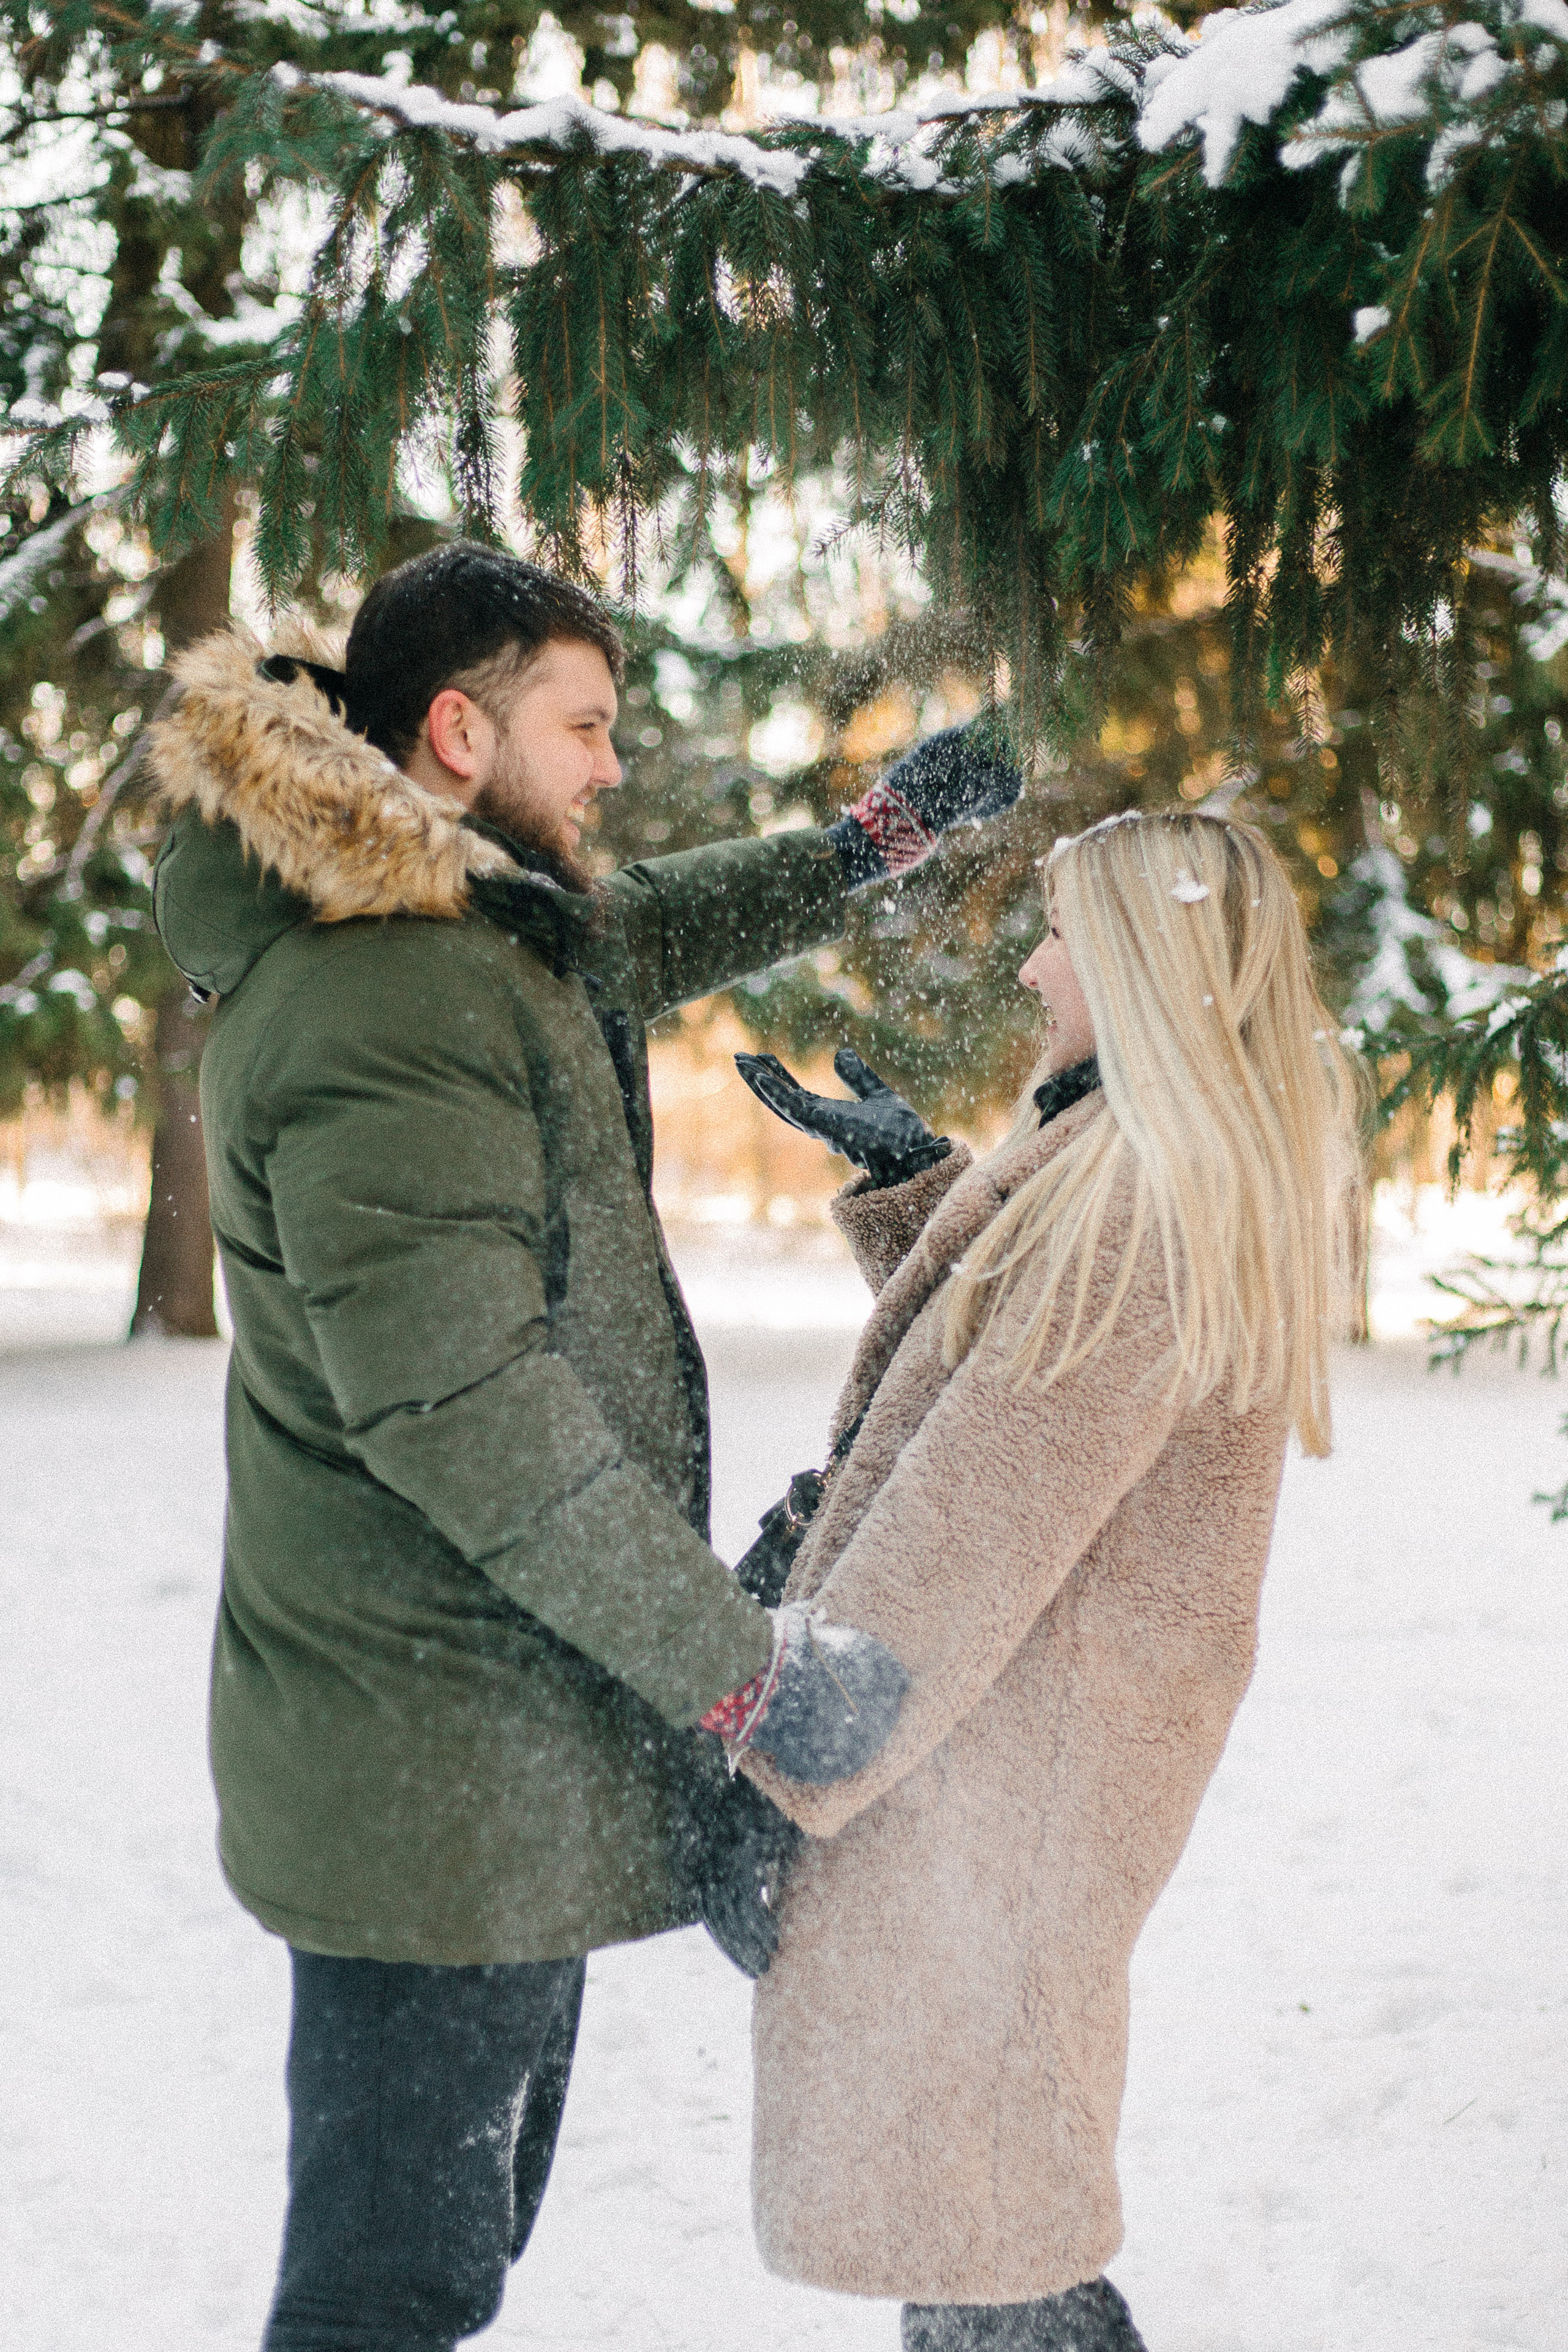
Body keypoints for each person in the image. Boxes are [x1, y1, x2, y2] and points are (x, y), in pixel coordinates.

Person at [144, 538, 1021, 2352]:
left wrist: (870, 846)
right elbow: (467, 1415)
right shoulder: (382, 998)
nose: (616, 766)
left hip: (488, 1760)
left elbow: (643, 930)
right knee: (387, 2296)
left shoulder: (464, 920)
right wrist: (747, 1679)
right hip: (428, 1779)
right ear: (459, 733)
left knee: (440, 2271)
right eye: (587, 726)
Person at [729, 808, 1361, 2352]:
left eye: (1061, 933)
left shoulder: (1137, 1196)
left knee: (994, 2251)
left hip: (991, 1780)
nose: (1028, 961)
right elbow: (1019, 1395)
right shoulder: (1139, 1157)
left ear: (1142, 963)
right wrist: (919, 1197)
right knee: (982, 2231)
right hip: (1012, 1770)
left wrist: (775, 1759)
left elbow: (969, 1523)